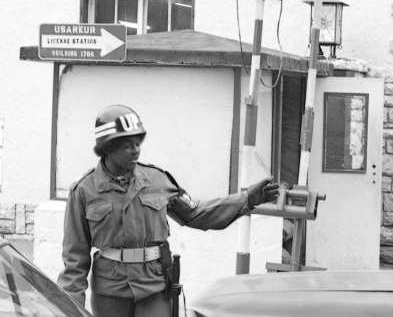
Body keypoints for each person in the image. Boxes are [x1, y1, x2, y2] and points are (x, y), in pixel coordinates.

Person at [57, 104, 280, 317]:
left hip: (153, 286)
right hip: (110, 291)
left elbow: (195, 214)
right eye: (127, 145)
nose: (136, 150)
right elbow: (75, 258)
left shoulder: (157, 180)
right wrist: (67, 308)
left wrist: (245, 200)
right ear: (107, 147)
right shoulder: (84, 190)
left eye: (138, 143)